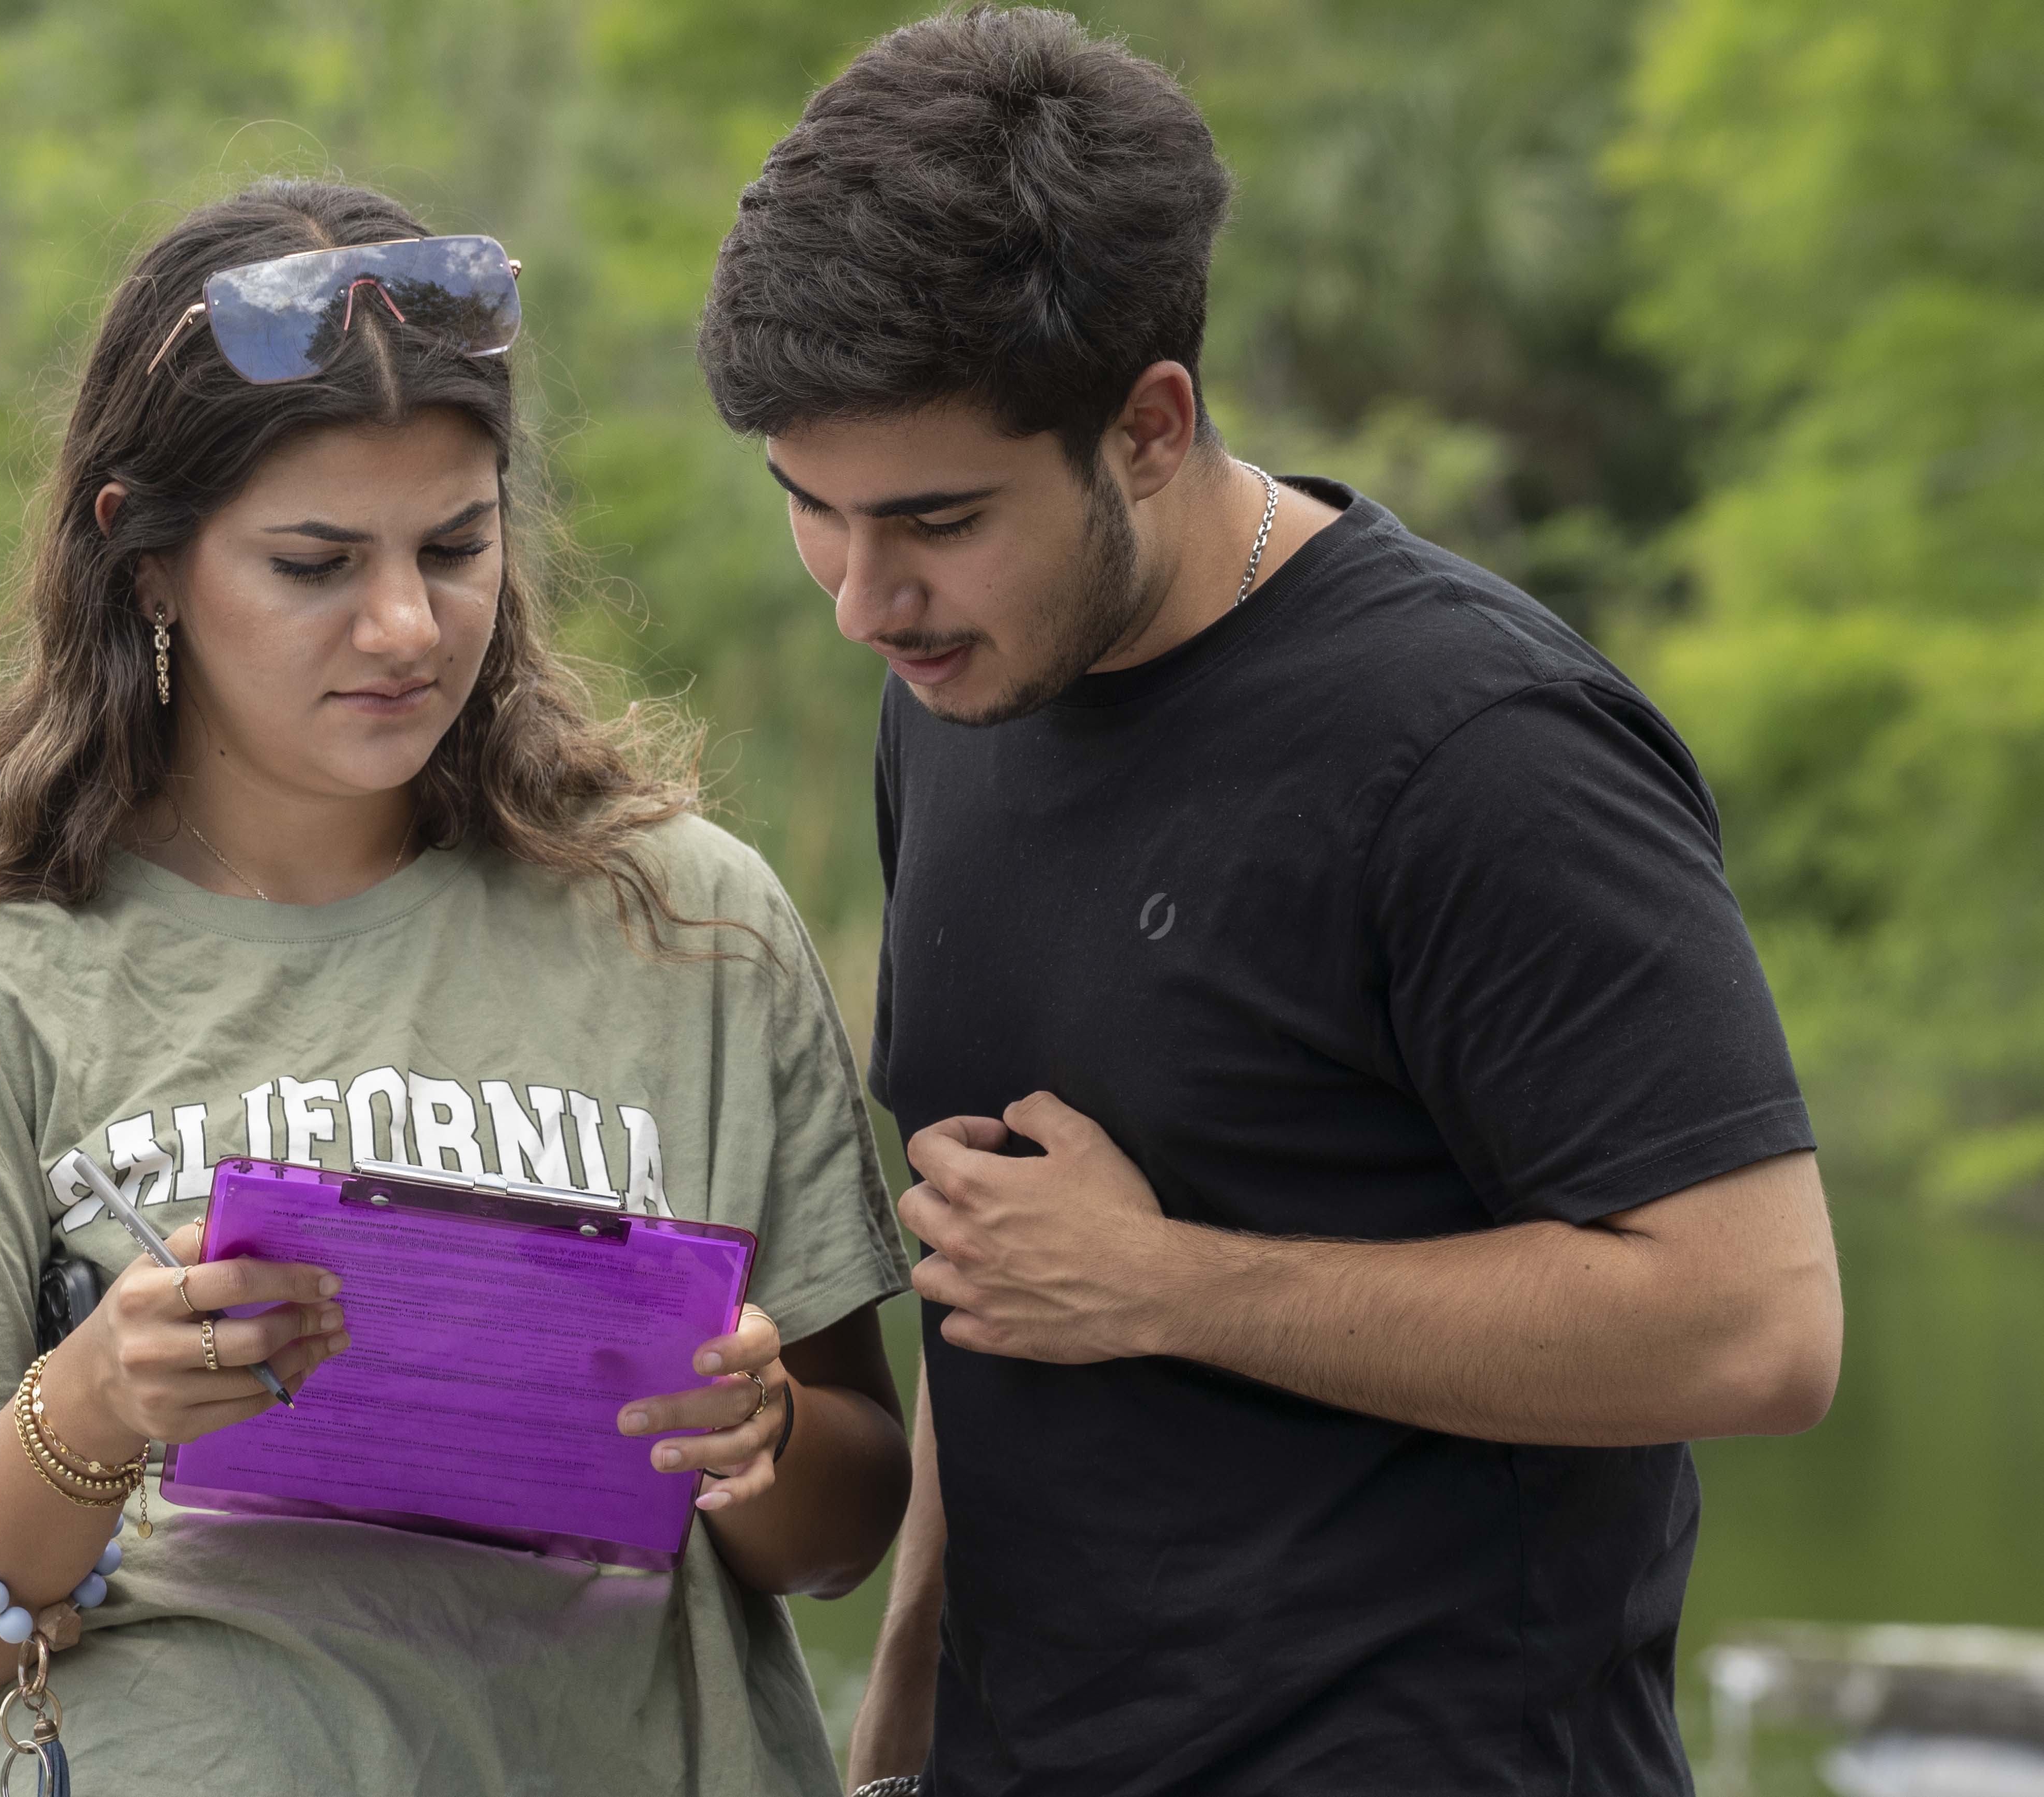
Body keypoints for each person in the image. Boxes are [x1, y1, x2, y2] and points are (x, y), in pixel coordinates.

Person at [696, 10, 1842, 1796]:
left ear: (1149, 426)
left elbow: (1755, 1324)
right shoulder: (958, 692)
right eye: (812, 513)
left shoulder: (1480, 748)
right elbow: (1000, 1285)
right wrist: (899, 1715)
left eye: (934, 518)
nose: (864, 598)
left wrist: (1172, 1284)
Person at [0, 180, 912, 1797]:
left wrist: (748, 1434)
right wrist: (95, 1406)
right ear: (148, 564)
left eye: (455, 546)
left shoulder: (691, 921)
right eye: (316, 560)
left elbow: (844, 1526)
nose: (407, 622)